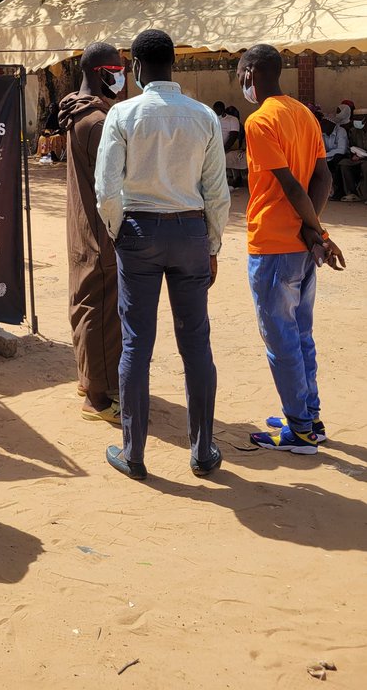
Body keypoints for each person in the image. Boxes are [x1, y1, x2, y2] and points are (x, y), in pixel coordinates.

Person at [95, 29, 230, 480]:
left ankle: (133, 454)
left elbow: (106, 189)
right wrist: (212, 243)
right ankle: (203, 450)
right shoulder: (204, 116)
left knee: (137, 342)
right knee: (197, 341)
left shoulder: (123, 113)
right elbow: (217, 191)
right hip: (191, 230)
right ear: (174, 65)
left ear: (135, 66)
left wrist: (119, 231)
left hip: (138, 230)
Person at [237, 45, 345, 454]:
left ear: (250, 74)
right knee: (300, 333)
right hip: (301, 245)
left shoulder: (260, 121)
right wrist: (315, 233)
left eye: (239, 73)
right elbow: (323, 180)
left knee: (280, 338)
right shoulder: (303, 114)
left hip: (273, 245)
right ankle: (309, 416)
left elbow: (291, 186)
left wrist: (313, 231)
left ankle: (299, 431)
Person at [58, 42, 124, 422]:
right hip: (101, 232)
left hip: (82, 229)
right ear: (102, 73)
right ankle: (99, 399)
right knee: (101, 311)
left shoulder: (76, 112)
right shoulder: (98, 123)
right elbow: (111, 186)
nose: (122, 78)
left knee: (85, 303)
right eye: (117, 70)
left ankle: (88, 379)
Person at [213, 101, 243, 189]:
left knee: (229, 156)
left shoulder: (232, 120)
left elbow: (233, 136)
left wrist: (224, 148)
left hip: (228, 147)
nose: (216, 112)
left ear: (222, 110)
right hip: (215, 147)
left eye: (218, 110)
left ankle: (236, 178)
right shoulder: (214, 119)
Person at [320, 114, 350, 199]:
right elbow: (320, 149)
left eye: (325, 123)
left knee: (338, 159)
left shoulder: (341, 131)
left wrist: (326, 156)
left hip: (341, 156)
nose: (322, 126)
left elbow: (342, 150)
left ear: (332, 124)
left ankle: (338, 191)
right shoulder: (322, 133)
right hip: (328, 157)